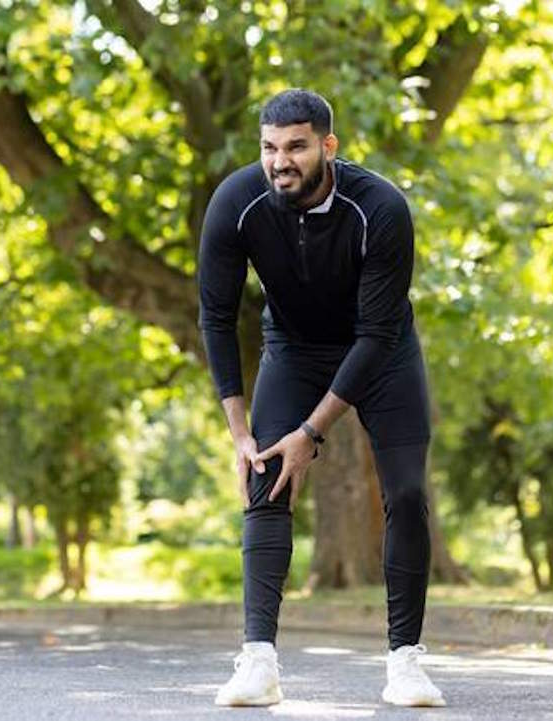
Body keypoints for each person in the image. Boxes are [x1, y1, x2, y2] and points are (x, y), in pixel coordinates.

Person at [197, 89, 444, 708]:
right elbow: (216, 316)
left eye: (297, 147)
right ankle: (258, 663)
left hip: (381, 350)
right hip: (293, 347)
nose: (280, 162)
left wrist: (312, 433)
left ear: (328, 147)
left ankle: (405, 663)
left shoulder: (380, 207)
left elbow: (377, 333)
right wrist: (240, 434)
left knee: (406, 493)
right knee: (265, 476)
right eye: (269, 148)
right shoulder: (236, 202)